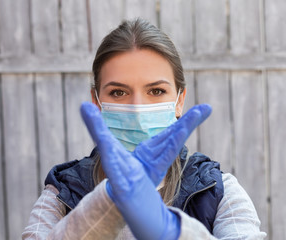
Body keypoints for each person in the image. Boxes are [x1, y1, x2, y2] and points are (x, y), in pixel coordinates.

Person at [22, 18, 266, 239]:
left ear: (179, 100)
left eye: (156, 91)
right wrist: (107, 204)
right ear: (97, 102)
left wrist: (172, 232)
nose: (138, 109)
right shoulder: (62, 193)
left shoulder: (217, 191)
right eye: (118, 92)